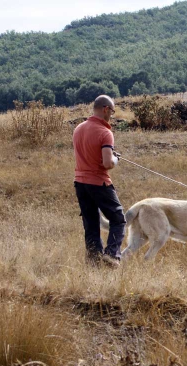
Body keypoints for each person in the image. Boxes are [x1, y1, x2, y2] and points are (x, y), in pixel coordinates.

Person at [73, 95, 126, 268]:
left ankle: (94, 261)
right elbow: (107, 163)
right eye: (112, 110)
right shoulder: (105, 133)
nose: (112, 114)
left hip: (80, 183)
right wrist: (116, 159)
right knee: (118, 219)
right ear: (105, 109)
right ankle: (111, 257)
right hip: (98, 182)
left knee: (91, 223)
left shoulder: (78, 129)